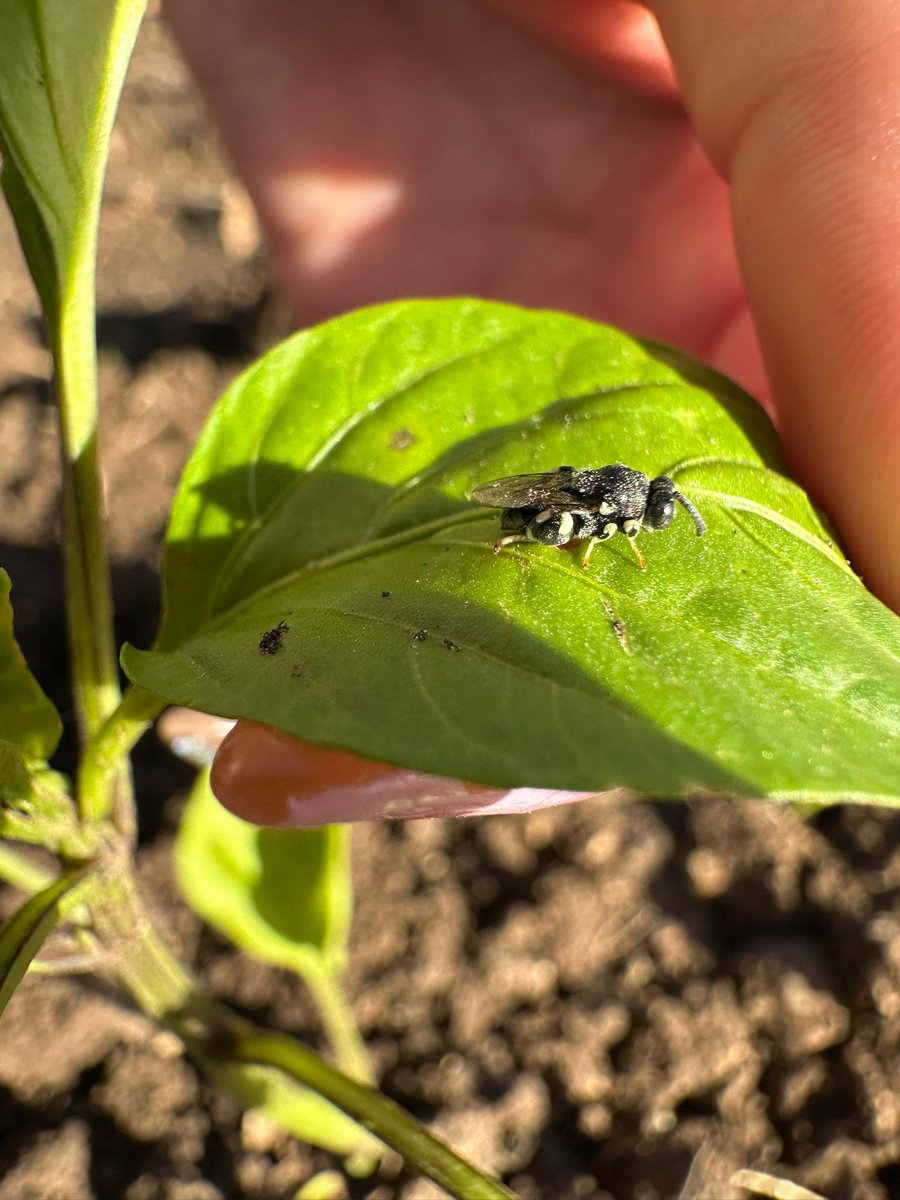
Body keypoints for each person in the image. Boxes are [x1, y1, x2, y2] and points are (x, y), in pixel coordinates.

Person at [165, 0, 900, 825]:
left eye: (661, 504)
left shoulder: (634, 487)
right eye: (658, 508)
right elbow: (580, 506)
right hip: (530, 492)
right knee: (557, 529)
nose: (659, 513)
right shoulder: (616, 504)